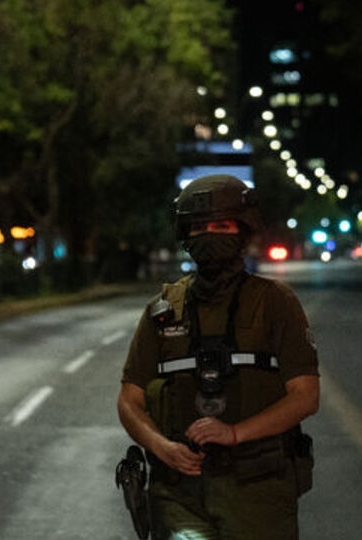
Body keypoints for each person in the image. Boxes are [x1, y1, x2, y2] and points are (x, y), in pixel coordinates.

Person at [117, 174, 320, 539]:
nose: (208, 234)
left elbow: (305, 395)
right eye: (197, 227)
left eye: (220, 224)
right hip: (179, 494)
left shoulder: (275, 303)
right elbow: (129, 399)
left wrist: (235, 434)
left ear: (243, 229)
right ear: (184, 236)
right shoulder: (164, 311)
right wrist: (161, 447)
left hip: (258, 491)